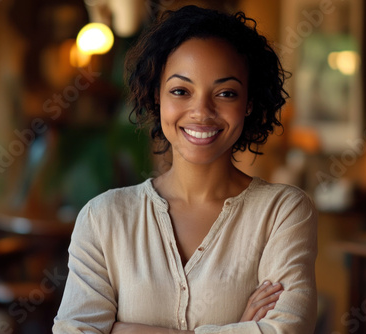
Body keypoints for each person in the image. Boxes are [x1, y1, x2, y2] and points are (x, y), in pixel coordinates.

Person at [53, 5, 317, 334]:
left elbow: (285, 330)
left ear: (249, 103)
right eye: (181, 91)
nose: (201, 111)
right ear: (156, 97)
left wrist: (126, 330)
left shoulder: (282, 212)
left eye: (226, 93)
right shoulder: (103, 218)